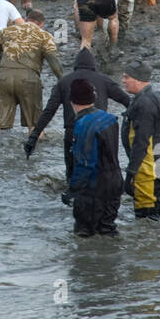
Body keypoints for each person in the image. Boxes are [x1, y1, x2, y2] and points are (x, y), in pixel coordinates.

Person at [25, 46, 129, 185]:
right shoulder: (104, 80)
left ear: (75, 66)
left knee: (72, 175)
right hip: (100, 132)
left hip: (72, 133)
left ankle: (72, 197)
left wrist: (34, 137)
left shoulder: (64, 82)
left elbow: (49, 111)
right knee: (101, 172)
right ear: (94, 66)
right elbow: (127, 101)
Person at [0, 9, 63, 147]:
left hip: (4, 77)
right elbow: (54, 62)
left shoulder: (7, 31)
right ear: (41, 24)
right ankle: (36, 150)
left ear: (26, 20)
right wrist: (62, 81)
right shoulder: (44, 36)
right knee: (34, 122)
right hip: (29, 80)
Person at [67, 79, 125, 237]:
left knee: (84, 234)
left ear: (72, 101)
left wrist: (73, 190)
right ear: (93, 99)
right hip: (115, 182)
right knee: (108, 229)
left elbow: (85, 163)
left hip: (94, 188)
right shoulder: (110, 119)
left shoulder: (83, 125)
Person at [121, 64, 160, 220]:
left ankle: (151, 241)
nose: (123, 81)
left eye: (127, 77)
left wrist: (131, 172)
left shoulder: (144, 103)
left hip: (149, 162)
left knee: (146, 212)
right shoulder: (158, 95)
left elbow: (141, 140)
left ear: (139, 80)